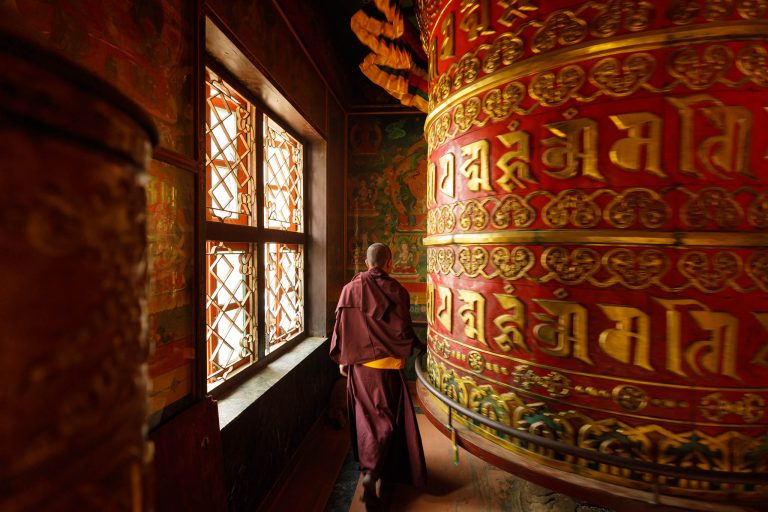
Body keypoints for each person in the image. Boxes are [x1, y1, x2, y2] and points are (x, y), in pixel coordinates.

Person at [330, 243, 427, 506]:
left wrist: (342, 358)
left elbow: (340, 326)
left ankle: (371, 469)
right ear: (390, 263)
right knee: (386, 420)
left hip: (359, 368)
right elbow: (403, 331)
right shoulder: (397, 290)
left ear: (366, 262)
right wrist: (411, 351)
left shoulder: (349, 289)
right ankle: (374, 472)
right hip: (388, 369)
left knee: (366, 420)